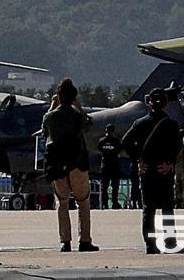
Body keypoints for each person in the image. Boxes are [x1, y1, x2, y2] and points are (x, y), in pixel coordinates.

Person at [124, 88, 184, 255]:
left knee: (148, 209)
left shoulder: (140, 123)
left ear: (149, 104)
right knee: (167, 207)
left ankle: (151, 245)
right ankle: (170, 243)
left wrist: (138, 160)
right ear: (166, 105)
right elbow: (177, 146)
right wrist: (170, 163)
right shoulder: (172, 124)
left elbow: (126, 142)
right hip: (164, 170)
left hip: (147, 169)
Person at [41, 78, 98, 253]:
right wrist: (78, 106)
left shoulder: (50, 117)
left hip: (57, 165)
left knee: (62, 202)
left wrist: (52, 107)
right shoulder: (76, 116)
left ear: (58, 96)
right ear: (74, 97)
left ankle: (65, 241)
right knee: (83, 202)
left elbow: (44, 132)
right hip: (77, 163)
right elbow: (88, 124)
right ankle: (85, 240)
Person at [97, 126, 123, 209]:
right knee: (115, 186)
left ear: (106, 131)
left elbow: (99, 149)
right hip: (114, 166)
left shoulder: (101, 141)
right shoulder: (117, 141)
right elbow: (119, 150)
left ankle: (105, 204)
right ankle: (114, 202)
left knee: (104, 186)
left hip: (105, 166)